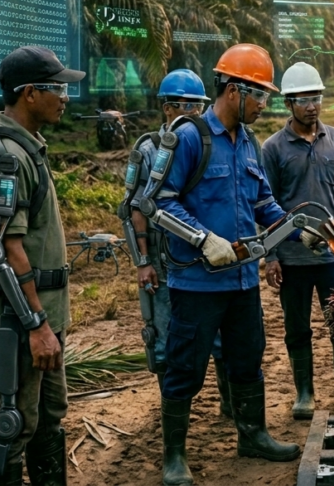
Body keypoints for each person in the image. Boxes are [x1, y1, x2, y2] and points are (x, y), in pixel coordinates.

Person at [142, 44, 321, 486]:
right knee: (185, 367)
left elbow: (264, 203)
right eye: (258, 95)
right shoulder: (188, 138)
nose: (264, 104)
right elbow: (155, 202)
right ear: (235, 90)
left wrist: (299, 230)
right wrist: (203, 239)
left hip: (242, 281)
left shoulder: (247, 142)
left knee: (247, 359)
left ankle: (253, 434)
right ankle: (175, 457)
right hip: (197, 283)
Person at [0, 46, 84, 486]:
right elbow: (6, 251)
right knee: (12, 422)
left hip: (37, 316)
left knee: (47, 416)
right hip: (16, 319)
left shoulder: (25, 150)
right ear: (30, 93)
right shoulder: (6, 161)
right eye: (57, 88)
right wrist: (36, 325)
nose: (65, 96)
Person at [263, 62, 334, 419]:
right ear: (288, 104)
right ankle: (304, 394)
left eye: (316, 98)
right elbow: (264, 204)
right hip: (293, 258)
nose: (311, 106)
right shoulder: (273, 149)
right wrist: (270, 256)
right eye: (303, 100)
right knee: (297, 328)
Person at [119, 69, 233, 418]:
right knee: (164, 338)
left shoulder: (211, 142)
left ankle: (231, 407)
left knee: (222, 339)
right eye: (184, 105)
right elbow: (134, 208)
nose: (193, 112)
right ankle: (173, 412)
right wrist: (142, 261)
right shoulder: (149, 148)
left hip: (202, 260)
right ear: (167, 108)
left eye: (198, 105)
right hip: (161, 261)